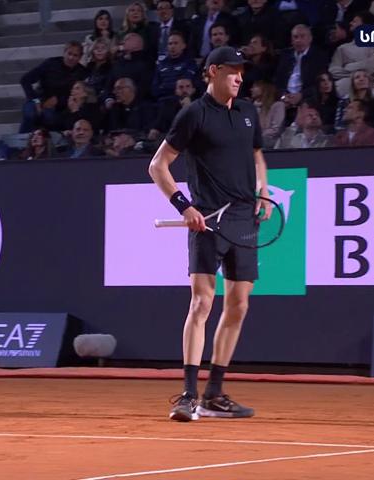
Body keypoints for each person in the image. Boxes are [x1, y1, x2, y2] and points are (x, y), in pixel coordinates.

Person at [148, 46, 271, 422]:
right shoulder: (194, 114)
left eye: (242, 72)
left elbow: (256, 155)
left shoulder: (248, 111)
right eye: (233, 71)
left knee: (239, 305)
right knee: (201, 303)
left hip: (243, 221)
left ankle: (214, 395)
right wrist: (184, 207)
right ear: (213, 72)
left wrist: (264, 191)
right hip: (207, 220)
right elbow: (158, 166)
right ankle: (188, 395)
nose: (240, 77)